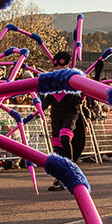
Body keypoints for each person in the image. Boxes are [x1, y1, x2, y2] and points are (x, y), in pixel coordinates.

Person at [42, 51, 86, 190]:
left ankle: (71, 169)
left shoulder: (74, 78)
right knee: (56, 144)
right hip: (55, 114)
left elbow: (82, 96)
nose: (58, 68)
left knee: (65, 138)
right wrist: (40, 107)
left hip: (70, 112)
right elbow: (48, 98)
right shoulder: (52, 80)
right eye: (56, 65)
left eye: (61, 65)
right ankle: (60, 175)